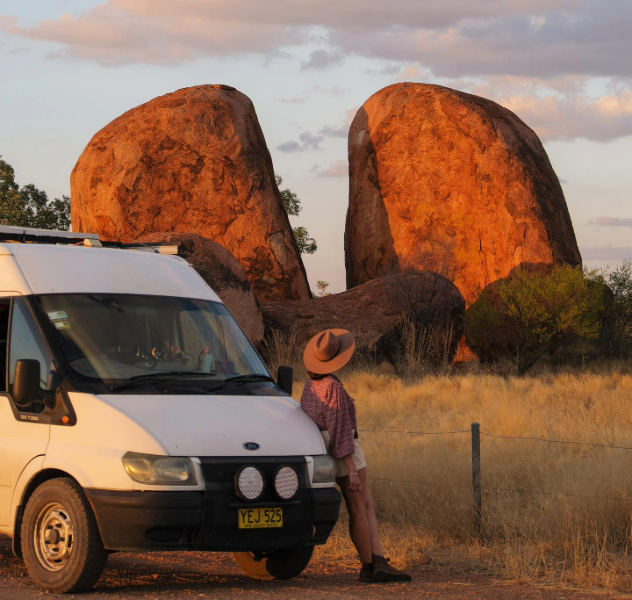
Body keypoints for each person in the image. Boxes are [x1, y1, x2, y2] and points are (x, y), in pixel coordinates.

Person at [300, 329, 412, 584]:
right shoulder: (332, 387)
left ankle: (377, 560)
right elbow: (340, 428)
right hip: (345, 449)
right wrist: (350, 467)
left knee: (362, 505)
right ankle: (371, 565)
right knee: (360, 507)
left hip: (326, 446)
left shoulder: (310, 385)